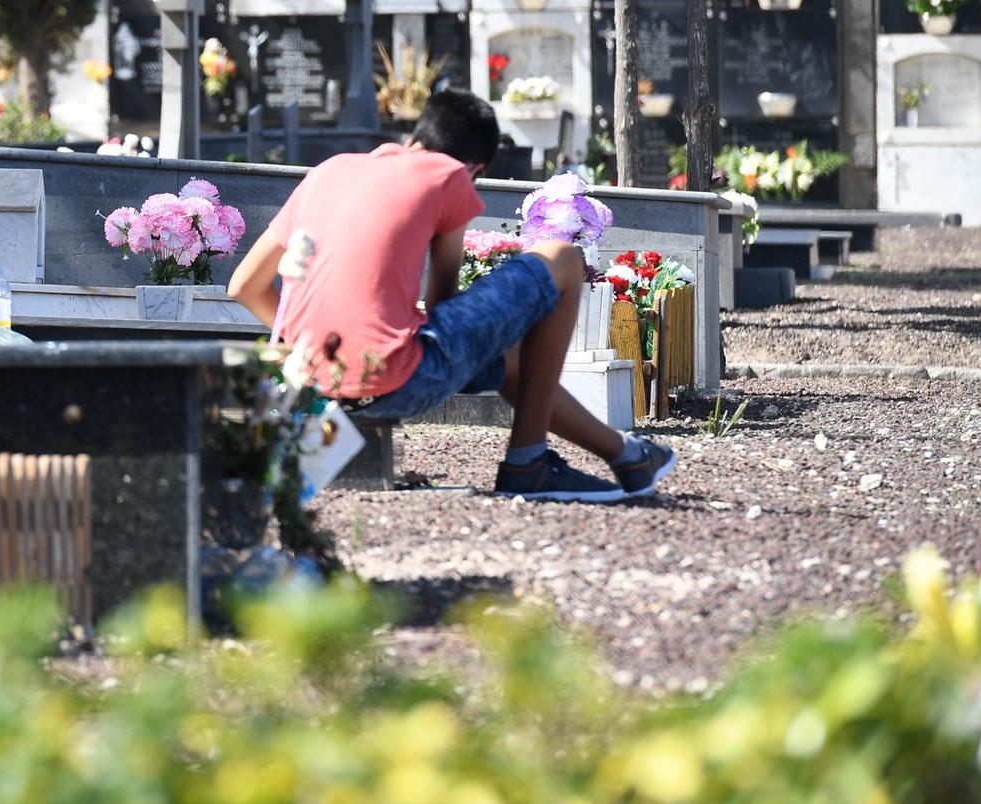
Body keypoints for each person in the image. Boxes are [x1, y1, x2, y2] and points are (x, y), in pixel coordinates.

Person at [227, 90, 676, 502]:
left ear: (417, 133)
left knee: (518, 361)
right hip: (394, 382)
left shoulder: (329, 170)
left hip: (308, 384)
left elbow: (243, 285)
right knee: (562, 258)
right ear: (474, 169)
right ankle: (528, 462)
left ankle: (628, 456)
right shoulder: (447, 175)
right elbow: (444, 306)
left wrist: (319, 351)